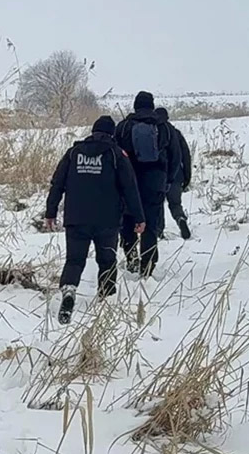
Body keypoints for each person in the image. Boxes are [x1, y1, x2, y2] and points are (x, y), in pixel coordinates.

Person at [45, 115, 144, 324]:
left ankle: (70, 290)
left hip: (76, 218)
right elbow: (130, 188)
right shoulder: (117, 155)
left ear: (93, 131)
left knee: (74, 260)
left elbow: (57, 183)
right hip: (107, 221)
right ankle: (105, 299)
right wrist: (139, 217)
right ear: (112, 134)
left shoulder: (73, 153)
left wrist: (50, 212)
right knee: (107, 260)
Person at [115, 91, 176, 277]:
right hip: (155, 182)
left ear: (135, 106)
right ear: (151, 105)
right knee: (150, 225)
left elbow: (115, 155)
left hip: (128, 183)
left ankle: (132, 258)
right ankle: (147, 266)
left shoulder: (123, 127)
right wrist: (169, 180)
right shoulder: (164, 127)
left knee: (127, 221)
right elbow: (175, 156)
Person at [155, 106, 193, 240]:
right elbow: (185, 156)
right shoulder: (175, 133)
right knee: (175, 204)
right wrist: (187, 176)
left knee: (158, 205)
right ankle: (180, 219)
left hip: (158, 176)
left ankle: (159, 231)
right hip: (176, 175)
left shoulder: (153, 132)